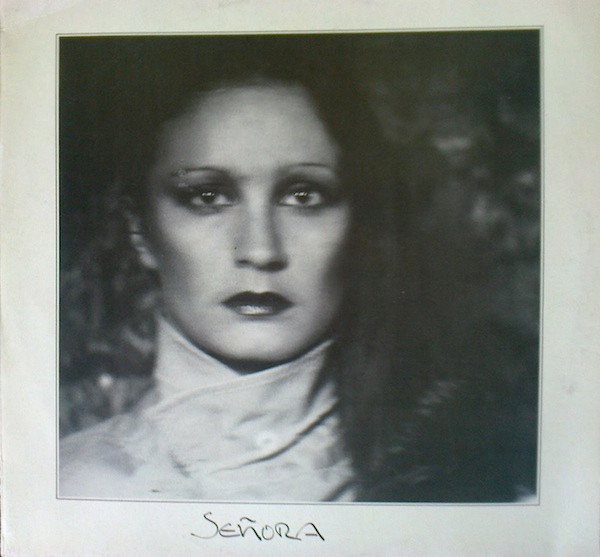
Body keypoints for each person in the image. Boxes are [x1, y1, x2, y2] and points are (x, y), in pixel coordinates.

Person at [59, 37, 404, 501]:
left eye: (303, 196)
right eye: (207, 197)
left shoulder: (462, 479)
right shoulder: (70, 488)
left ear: (358, 223)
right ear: (140, 229)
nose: (260, 251)